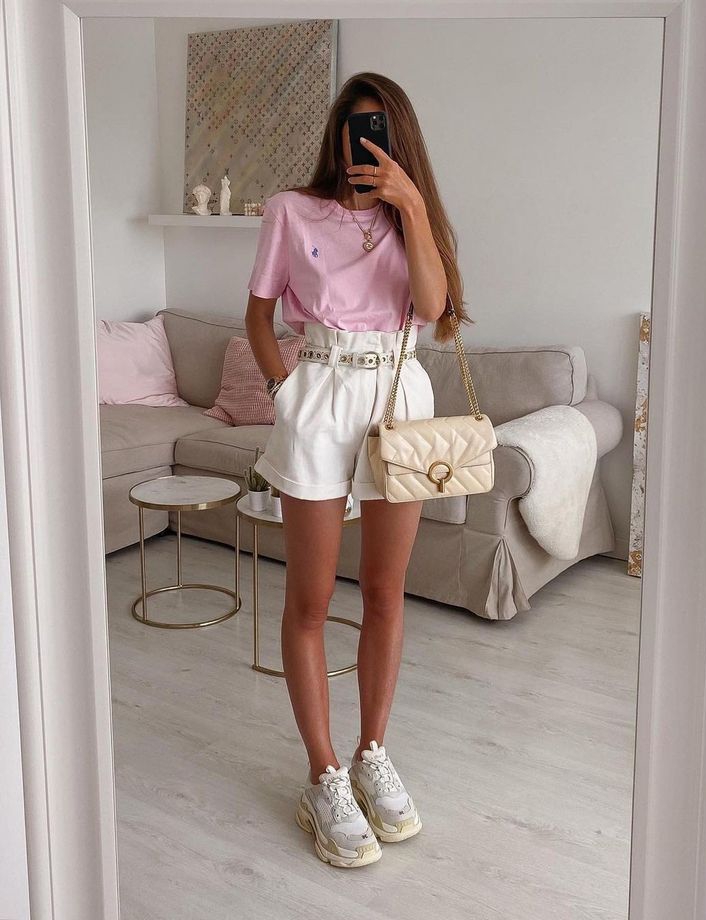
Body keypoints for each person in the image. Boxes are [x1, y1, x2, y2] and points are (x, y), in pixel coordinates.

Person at [244, 72, 471, 868]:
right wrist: (283, 391)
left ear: (398, 141)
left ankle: (373, 752)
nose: (362, 148)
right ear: (337, 138)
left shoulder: (415, 217)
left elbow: (435, 313)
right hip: (319, 391)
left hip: (399, 396)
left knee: (383, 592)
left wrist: (413, 206)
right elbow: (258, 315)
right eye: (354, 132)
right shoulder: (290, 210)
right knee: (309, 600)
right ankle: (324, 774)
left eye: (377, 134)